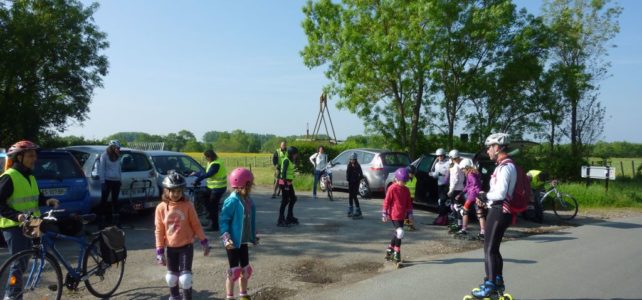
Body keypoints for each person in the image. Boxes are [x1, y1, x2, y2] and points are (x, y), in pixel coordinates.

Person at [0, 140, 59, 299]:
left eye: (35, 155)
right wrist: (17, 216)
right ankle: (11, 296)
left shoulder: (30, 176)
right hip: (14, 225)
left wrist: (46, 201)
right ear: (19, 157)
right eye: (30, 155)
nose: (34, 159)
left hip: (32, 222)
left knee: (25, 261)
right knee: (18, 264)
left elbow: (34, 196)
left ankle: (15, 294)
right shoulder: (9, 177)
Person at [472, 133, 515, 298]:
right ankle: (497, 281)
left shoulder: (505, 167)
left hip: (499, 211)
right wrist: (487, 200)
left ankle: (490, 286)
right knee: (494, 249)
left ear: (497, 147)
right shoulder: (505, 165)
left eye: (489, 147)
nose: (488, 151)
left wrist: (485, 196)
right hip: (498, 209)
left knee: (488, 249)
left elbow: (501, 193)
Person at [155, 171, 209, 300]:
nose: (175, 194)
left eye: (178, 191)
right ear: (166, 191)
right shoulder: (161, 208)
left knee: (185, 279)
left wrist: (204, 241)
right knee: (171, 278)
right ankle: (174, 297)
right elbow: (159, 230)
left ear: (182, 191)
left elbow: (196, 224)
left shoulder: (188, 206)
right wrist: (159, 250)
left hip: (186, 247)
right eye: (172, 191)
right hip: (171, 247)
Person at [219, 168, 259, 300]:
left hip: (243, 241)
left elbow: (248, 221)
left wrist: (253, 234)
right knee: (234, 271)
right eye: (250, 184)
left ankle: (243, 295)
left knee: (246, 270)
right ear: (244, 184)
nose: (252, 186)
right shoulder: (232, 201)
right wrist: (226, 237)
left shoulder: (248, 200)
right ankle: (229, 297)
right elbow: (224, 220)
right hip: (232, 242)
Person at [381, 168, 413, 265]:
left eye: (405, 181)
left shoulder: (406, 190)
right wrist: (384, 213)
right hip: (394, 214)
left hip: (402, 215)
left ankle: (390, 250)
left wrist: (410, 213)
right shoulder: (392, 188)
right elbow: (386, 201)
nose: (403, 183)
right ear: (397, 179)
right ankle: (397, 253)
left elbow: (408, 202)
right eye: (401, 181)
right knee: (400, 232)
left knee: (398, 233)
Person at [193, 149, 227, 231]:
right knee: (202, 196)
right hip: (211, 187)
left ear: (209, 156)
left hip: (218, 188)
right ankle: (209, 217)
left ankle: (214, 226)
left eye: (205, 157)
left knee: (213, 206)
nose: (205, 159)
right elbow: (206, 171)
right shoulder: (211, 162)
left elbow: (209, 174)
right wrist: (196, 173)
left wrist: (198, 180)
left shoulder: (216, 164)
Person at [456, 158, 485, 239]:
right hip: (475, 196)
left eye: (462, 169)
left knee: (464, 211)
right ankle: (483, 231)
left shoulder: (470, 174)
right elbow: (468, 186)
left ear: (466, 167)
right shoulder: (475, 173)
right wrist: (461, 193)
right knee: (480, 213)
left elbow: (475, 185)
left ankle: (464, 229)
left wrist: (479, 194)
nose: (462, 170)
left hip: (472, 196)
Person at [97, 139, 122, 228]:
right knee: (104, 201)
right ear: (111, 147)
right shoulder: (104, 156)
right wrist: (102, 182)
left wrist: (120, 180)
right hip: (107, 181)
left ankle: (116, 221)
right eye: (116, 147)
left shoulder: (118, 156)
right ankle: (101, 221)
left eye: (118, 148)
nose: (118, 149)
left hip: (116, 181)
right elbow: (101, 169)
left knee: (115, 201)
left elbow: (119, 169)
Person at [277, 146, 299, 227]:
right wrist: (285, 183)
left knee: (293, 199)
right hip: (284, 183)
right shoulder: (286, 160)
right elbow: (284, 172)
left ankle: (289, 217)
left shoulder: (290, 160)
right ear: (292, 154)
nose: (296, 156)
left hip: (289, 183)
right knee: (285, 201)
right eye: (295, 154)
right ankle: (280, 219)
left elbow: (290, 171)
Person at [430, 148, 450, 225]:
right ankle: (442, 217)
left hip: (446, 185)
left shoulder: (448, 163)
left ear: (444, 155)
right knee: (441, 201)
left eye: (441, 156)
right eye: (438, 156)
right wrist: (432, 174)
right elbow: (435, 174)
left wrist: (443, 174)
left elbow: (450, 173)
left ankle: (443, 217)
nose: (439, 157)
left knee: (443, 201)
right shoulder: (437, 164)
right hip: (440, 184)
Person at [447, 149, 465, 232]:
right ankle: (459, 224)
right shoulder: (460, 165)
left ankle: (458, 224)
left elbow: (455, 179)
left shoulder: (455, 167)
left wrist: (451, 190)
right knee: (458, 207)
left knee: (455, 207)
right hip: (460, 188)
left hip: (455, 189)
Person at [346, 152, 364, 219]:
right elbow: (347, 173)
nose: (352, 161)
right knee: (350, 196)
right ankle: (350, 209)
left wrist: (358, 178)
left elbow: (361, 175)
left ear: (356, 159)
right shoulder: (349, 165)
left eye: (353, 159)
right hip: (350, 182)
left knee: (354, 196)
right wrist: (348, 179)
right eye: (351, 159)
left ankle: (358, 210)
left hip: (356, 182)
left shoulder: (358, 165)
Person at [404, 166, 417, 231]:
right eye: (411, 173)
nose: (412, 175)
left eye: (413, 173)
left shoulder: (415, 179)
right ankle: (409, 225)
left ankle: (409, 224)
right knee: (408, 212)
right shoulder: (405, 179)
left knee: (409, 211)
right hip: (405, 198)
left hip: (411, 198)